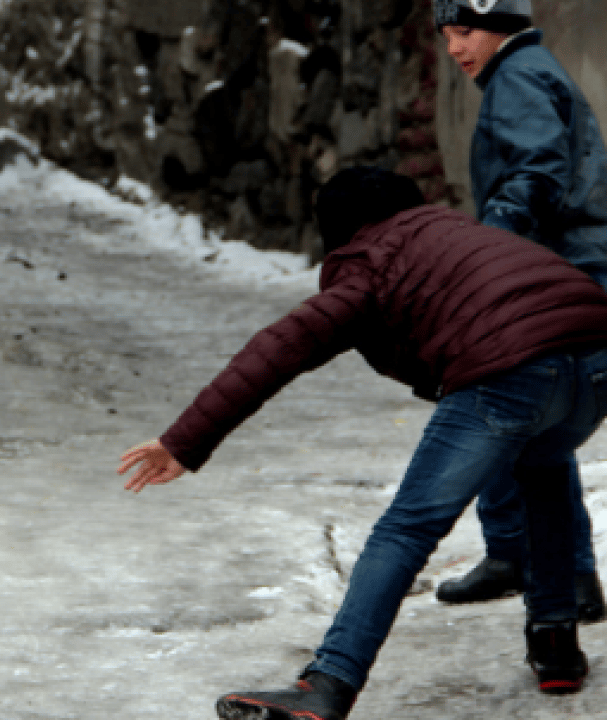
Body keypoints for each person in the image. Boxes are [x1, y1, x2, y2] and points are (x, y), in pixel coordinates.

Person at [118, 167, 607, 719]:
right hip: (595, 357)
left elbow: (283, 345)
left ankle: (328, 684)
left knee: (407, 528)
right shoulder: (453, 234)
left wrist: (184, 441)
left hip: (511, 370)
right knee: (543, 468)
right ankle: (555, 641)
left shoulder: (369, 261)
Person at [433, 0, 607, 619]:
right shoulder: (526, 70)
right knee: (521, 418)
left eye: (466, 31)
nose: (455, 48)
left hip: (560, 272)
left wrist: (493, 253)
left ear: (501, 25)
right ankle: (515, 553)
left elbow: (538, 168)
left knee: (528, 422)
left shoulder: (519, 75)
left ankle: (569, 575)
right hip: (562, 268)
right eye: (448, 35)